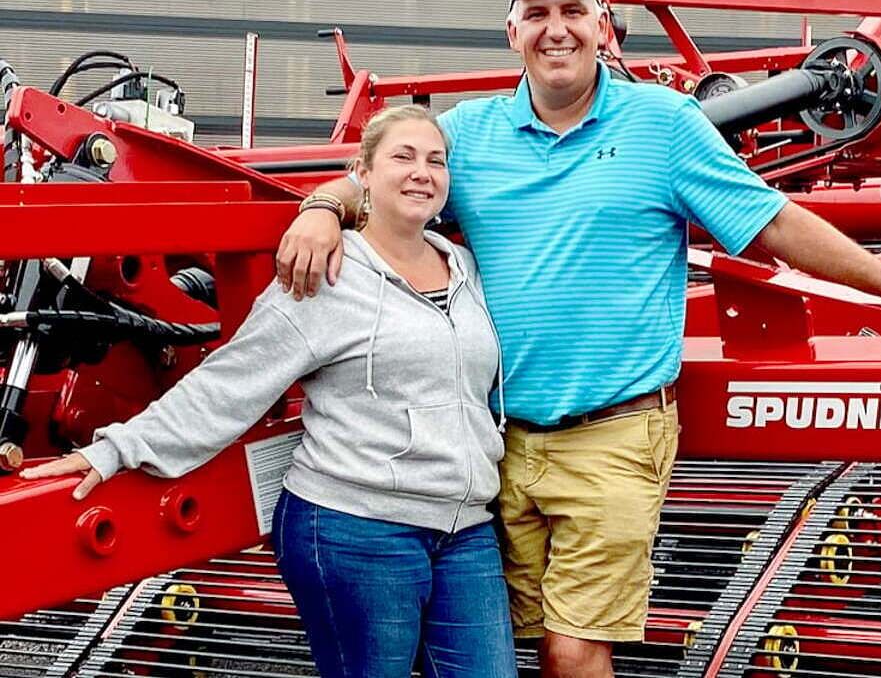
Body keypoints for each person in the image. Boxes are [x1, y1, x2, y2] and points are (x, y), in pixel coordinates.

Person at [275, 0, 881, 676]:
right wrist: (320, 210)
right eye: (537, 14)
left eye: (573, 11)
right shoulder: (468, 136)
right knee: (492, 649)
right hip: (497, 443)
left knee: (572, 650)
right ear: (512, 32)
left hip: (613, 432)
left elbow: (772, 220)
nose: (556, 29)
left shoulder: (663, 124)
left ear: (604, 24)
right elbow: (383, 181)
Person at [22, 106, 519, 678]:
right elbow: (233, 379)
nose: (421, 173)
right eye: (402, 157)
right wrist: (112, 449)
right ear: (363, 171)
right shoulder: (329, 274)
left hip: (464, 530)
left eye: (436, 161)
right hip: (359, 527)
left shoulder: (463, 267)